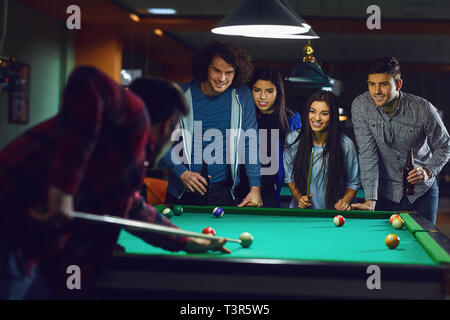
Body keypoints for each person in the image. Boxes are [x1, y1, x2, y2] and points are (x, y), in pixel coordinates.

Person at [0, 66, 229, 300]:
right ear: (167, 124)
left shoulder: (121, 152)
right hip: (9, 225)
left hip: (27, 235)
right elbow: (86, 79)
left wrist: (187, 241)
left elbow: (130, 207)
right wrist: (62, 192)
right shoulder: (138, 116)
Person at [162, 41, 262, 207]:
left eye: (229, 72)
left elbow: (250, 142)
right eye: (216, 70)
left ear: (236, 73)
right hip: (181, 192)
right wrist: (182, 172)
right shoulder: (179, 94)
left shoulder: (242, 95)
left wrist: (255, 187)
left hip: (223, 192)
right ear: (205, 68)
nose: (222, 78)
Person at [350, 57, 450, 224]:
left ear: (398, 84)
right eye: (372, 84)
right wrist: (370, 199)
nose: (376, 91)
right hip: (385, 191)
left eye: (384, 84)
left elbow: (445, 145)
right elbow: (368, 153)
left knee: (424, 239)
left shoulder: (423, 109)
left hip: (421, 191)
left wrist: (427, 171)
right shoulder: (361, 106)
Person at [235, 66, 301, 207]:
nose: (263, 97)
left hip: (271, 191)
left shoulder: (291, 119)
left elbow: (298, 159)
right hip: (239, 188)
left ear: (278, 92)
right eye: (257, 90)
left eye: (269, 91)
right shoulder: (240, 118)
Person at [284, 90, 360, 210]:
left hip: (333, 215)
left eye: (324, 113)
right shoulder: (293, 140)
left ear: (332, 116)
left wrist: (344, 201)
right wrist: (300, 198)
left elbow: (353, 183)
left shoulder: (346, 145)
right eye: (312, 112)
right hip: (300, 215)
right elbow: (290, 178)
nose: (317, 118)